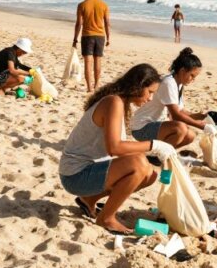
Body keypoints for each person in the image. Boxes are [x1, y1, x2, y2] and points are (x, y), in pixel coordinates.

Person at [59, 63, 175, 234]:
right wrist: (154, 145)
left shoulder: (119, 102)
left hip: (86, 171)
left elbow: (121, 148)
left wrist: (160, 153)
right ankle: (106, 218)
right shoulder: (113, 102)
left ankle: (88, 200)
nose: (150, 98)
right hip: (75, 174)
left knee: (149, 175)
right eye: (149, 92)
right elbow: (114, 148)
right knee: (138, 165)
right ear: (138, 85)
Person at [130, 48, 212, 149]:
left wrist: (202, 116)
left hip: (157, 126)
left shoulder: (179, 84)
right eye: (191, 75)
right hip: (141, 128)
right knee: (180, 128)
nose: (193, 80)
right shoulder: (168, 83)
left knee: (190, 135)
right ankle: (157, 156)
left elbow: (180, 111)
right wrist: (202, 126)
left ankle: (155, 156)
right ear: (182, 71)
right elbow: (176, 115)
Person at [73, 0, 111, 93]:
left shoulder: (82, 5)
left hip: (87, 36)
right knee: (97, 60)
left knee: (88, 62)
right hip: (100, 36)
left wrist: (75, 39)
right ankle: (97, 85)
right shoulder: (103, 5)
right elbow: (107, 23)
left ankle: (89, 87)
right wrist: (108, 38)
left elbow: (79, 23)